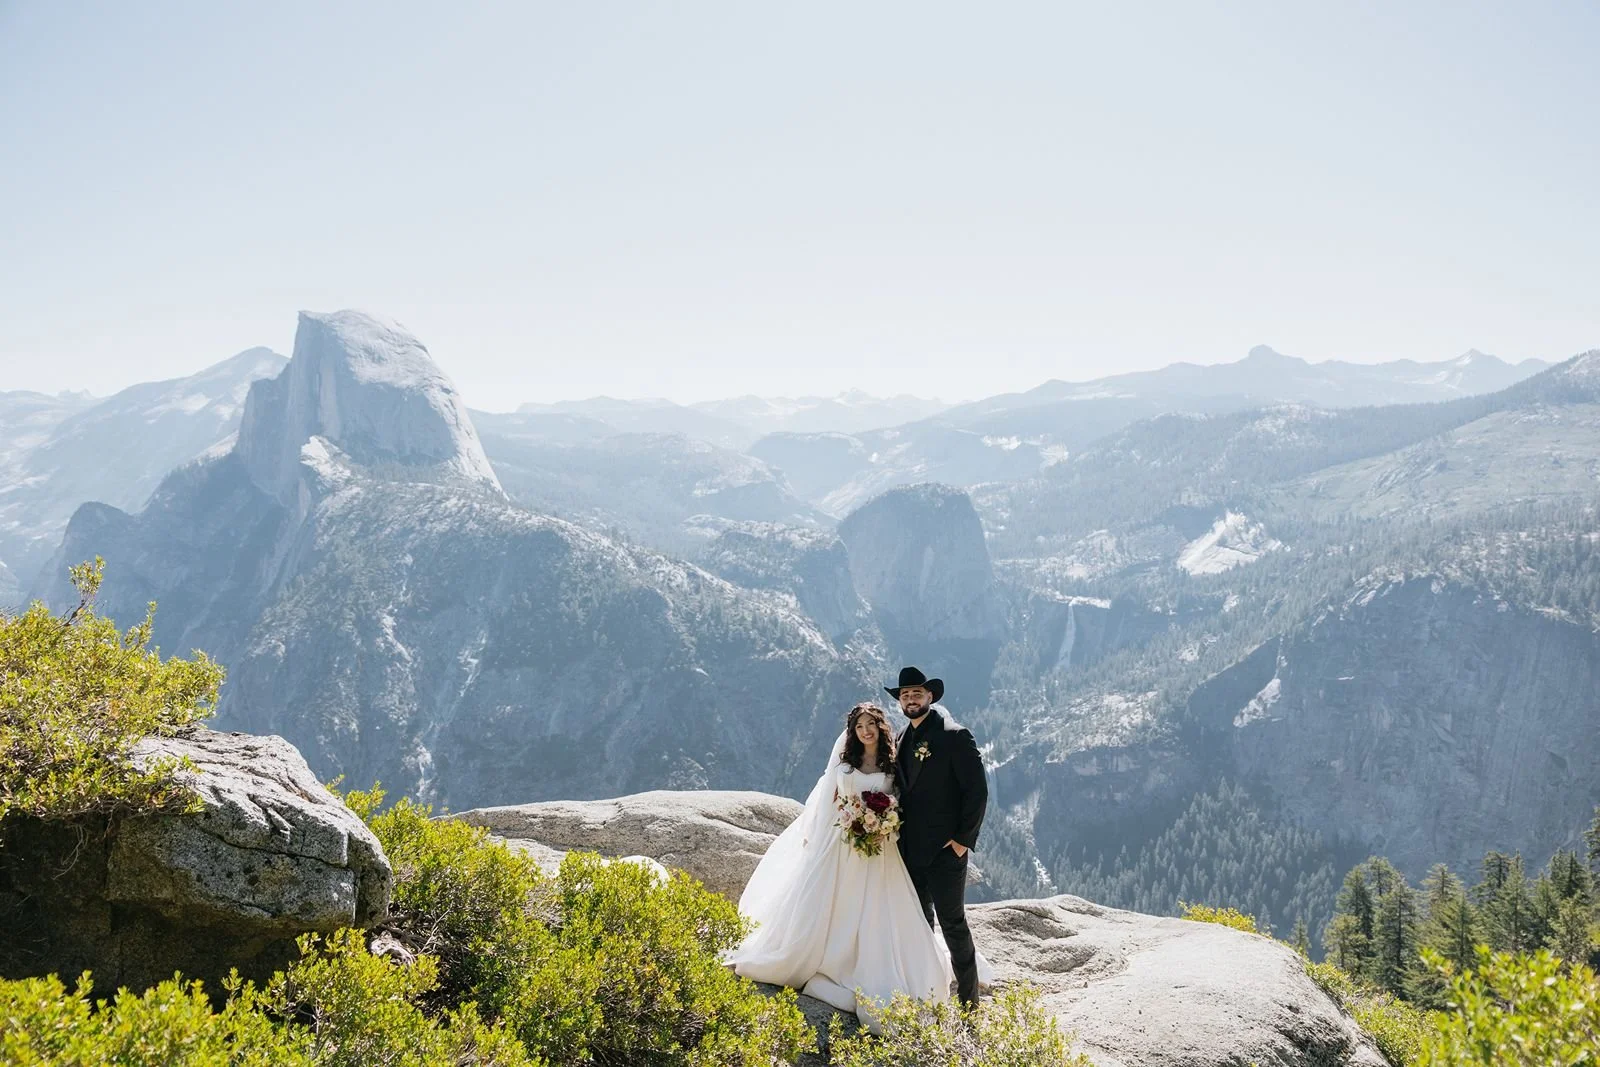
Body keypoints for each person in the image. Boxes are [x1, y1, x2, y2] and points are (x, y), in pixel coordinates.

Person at [726, 702, 953, 1025]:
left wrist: (883, 823)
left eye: (871, 725)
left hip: (880, 849)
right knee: (837, 902)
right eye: (860, 726)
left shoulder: (892, 763)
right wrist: (851, 823)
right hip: (844, 844)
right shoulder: (844, 766)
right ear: (853, 732)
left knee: (880, 909)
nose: (865, 731)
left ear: (880, 727)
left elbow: (901, 801)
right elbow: (828, 805)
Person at [888, 665, 988, 1009]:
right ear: (900, 702)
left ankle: (969, 1005)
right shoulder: (900, 739)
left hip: (946, 853)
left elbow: (976, 792)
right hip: (909, 852)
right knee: (919, 926)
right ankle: (928, 995)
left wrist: (962, 840)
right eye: (905, 695)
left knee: (954, 926)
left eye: (917, 693)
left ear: (930, 697)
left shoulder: (954, 735)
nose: (911, 699)